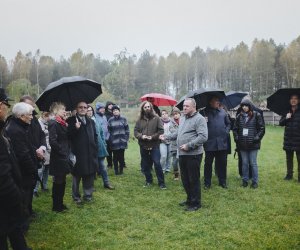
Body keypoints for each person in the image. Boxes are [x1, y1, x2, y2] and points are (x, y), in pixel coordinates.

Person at [163, 98, 207, 211]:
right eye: (184, 106)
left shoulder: (199, 119)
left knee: (193, 179)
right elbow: (178, 133)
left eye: (187, 106)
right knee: (185, 179)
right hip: (182, 154)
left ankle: (196, 203)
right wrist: (167, 137)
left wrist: (189, 145)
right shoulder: (183, 118)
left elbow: (203, 137)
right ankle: (189, 199)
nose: (184, 108)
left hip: (193, 154)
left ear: (194, 107)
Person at [0, 89, 31, 250]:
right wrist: (17, 198)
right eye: (6, 104)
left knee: (14, 229)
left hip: (8, 199)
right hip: (6, 198)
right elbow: (3, 175)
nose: (7, 108)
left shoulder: (3, 128)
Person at [5, 102, 36, 232]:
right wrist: (33, 169)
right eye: (29, 115)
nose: (32, 117)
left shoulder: (20, 127)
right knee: (23, 198)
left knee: (26, 197)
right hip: (23, 172)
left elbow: (27, 146)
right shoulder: (15, 130)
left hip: (24, 171)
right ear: (22, 116)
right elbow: (22, 155)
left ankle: (25, 219)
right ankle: (23, 226)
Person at [67, 101, 98, 203]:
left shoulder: (91, 121)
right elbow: (67, 136)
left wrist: (95, 148)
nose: (83, 109)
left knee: (89, 175)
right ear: (76, 108)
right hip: (78, 154)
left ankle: (88, 195)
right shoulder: (71, 120)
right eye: (80, 107)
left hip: (90, 153)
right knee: (77, 176)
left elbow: (95, 136)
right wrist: (75, 129)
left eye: (85, 107)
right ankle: (76, 197)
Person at [233, 99, 265, 188]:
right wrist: (237, 138)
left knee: (253, 163)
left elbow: (262, 128)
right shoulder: (239, 116)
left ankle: (255, 182)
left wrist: (256, 138)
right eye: (243, 106)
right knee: (244, 163)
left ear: (250, 106)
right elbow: (235, 129)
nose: (244, 107)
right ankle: (245, 180)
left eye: (246, 105)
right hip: (242, 144)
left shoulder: (257, 115)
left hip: (253, 144)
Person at [134, 101, 166, 189]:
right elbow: (136, 132)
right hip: (143, 145)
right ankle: (149, 180)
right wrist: (142, 136)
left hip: (154, 145)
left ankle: (161, 183)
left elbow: (161, 131)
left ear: (151, 108)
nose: (147, 108)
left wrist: (152, 137)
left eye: (148, 107)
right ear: (142, 109)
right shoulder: (139, 120)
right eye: (145, 107)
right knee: (145, 164)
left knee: (157, 163)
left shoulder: (157, 118)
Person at [201, 96, 231, 189]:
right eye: (216, 101)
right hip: (210, 143)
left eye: (218, 101)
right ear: (210, 102)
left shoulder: (223, 112)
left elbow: (229, 123)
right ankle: (207, 183)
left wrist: (226, 131)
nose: (218, 102)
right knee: (208, 164)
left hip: (222, 143)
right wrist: (203, 120)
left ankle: (222, 182)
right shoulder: (204, 112)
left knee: (222, 163)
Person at [20, 96, 46, 200]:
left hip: (37, 156)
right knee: (25, 186)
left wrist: (42, 147)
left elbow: (42, 134)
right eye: (29, 105)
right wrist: (35, 150)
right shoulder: (18, 121)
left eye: (33, 106)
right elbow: (24, 141)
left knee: (31, 184)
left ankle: (30, 209)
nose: (32, 108)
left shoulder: (34, 119)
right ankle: (25, 211)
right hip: (26, 159)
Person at [48, 102, 71, 212]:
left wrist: (66, 123)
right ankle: (56, 206)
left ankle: (60, 203)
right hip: (59, 156)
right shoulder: (53, 123)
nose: (64, 111)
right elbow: (52, 141)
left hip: (63, 155)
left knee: (63, 180)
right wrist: (62, 152)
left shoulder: (62, 123)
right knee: (58, 180)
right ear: (56, 111)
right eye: (62, 109)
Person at [87, 105, 114, 189]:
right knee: (91, 167)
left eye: (91, 110)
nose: (90, 111)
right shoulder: (84, 122)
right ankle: (91, 185)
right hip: (89, 149)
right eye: (88, 110)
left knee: (103, 166)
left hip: (99, 147)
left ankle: (106, 183)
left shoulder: (96, 120)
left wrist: (104, 143)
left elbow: (101, 133)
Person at [279, 94, 300, 181]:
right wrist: (286, 118)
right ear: (289, 101)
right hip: (288, 139)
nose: (293, 100)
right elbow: (281, 123)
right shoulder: (287, 111)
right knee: (289, 159)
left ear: (298, 100)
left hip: (298, 140)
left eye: (295, 99)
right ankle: (289, 175)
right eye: (291, 98)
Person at [107, 105, 130, 175]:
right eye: (114, 111)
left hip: (122, 142)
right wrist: (111, 139)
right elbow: (108, 131)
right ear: (112, 112)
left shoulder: (124, 119)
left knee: (121, 157)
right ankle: (116, 171)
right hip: (114, 142)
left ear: (119, 111)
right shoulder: (110, 120)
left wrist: (126, 139)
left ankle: (121, 171)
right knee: (115, 157)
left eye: (117, 110)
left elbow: (127, 130)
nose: (115, 111)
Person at [37, 112, 51, 192]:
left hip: (49, 150)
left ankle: (44, 186)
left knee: (47, 169)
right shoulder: (38, 124)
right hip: (42, 149)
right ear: (44, 115)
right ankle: (35, 189)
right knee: (40, 170)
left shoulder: (48, 123)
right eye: (49, 116)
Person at [168, 107, 181, 180]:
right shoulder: (171, 123)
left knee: (182, 161)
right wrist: (180, 131)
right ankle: (176, 174)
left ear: (180, 114)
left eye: (176, 114)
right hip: (174, 145)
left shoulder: (184, 121)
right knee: (175, 162)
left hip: (182, 145)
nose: (175, 115)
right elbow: (172, 131)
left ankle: (183, 174)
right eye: (174, 114)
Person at [105, 101, 115, 168]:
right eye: (109, 104)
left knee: (116, 150)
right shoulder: (105, 114)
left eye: (112, 104)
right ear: (107, 106)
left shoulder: (115, 112)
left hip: (115, 134)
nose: (111, 105)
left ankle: (118, 163)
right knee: (108, 150)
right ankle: (109, 164)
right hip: (108, 134)